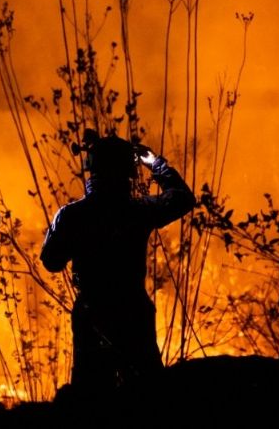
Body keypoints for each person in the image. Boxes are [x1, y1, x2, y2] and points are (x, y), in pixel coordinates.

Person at [40, 131, 195, 396]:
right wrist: (155, 163)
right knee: (148, 393)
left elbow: (52, 261)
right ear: (128, 172)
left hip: (92, 312)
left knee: (93, 396)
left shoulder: (71, 216)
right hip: (133, 310)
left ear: (91, 169)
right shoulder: (140, 210)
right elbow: (182, 198)